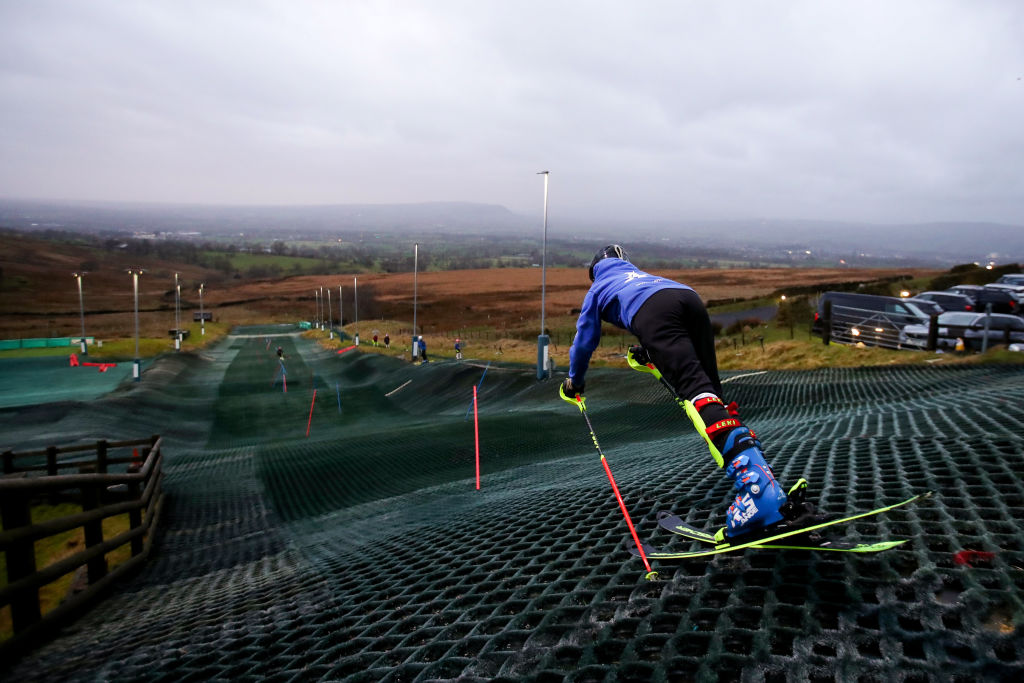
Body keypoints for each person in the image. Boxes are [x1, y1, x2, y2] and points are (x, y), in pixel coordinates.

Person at [562, 245, 787, 539]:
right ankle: (768, 486)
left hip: (654, 312)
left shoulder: (598, 288)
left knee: (698, 395)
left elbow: (583, 343)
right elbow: (663, 316)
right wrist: (649, 351)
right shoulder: (637, 274)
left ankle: (760, 494)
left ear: (594, 272)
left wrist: (574, 382)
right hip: (687, 297)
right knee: (710, 397)